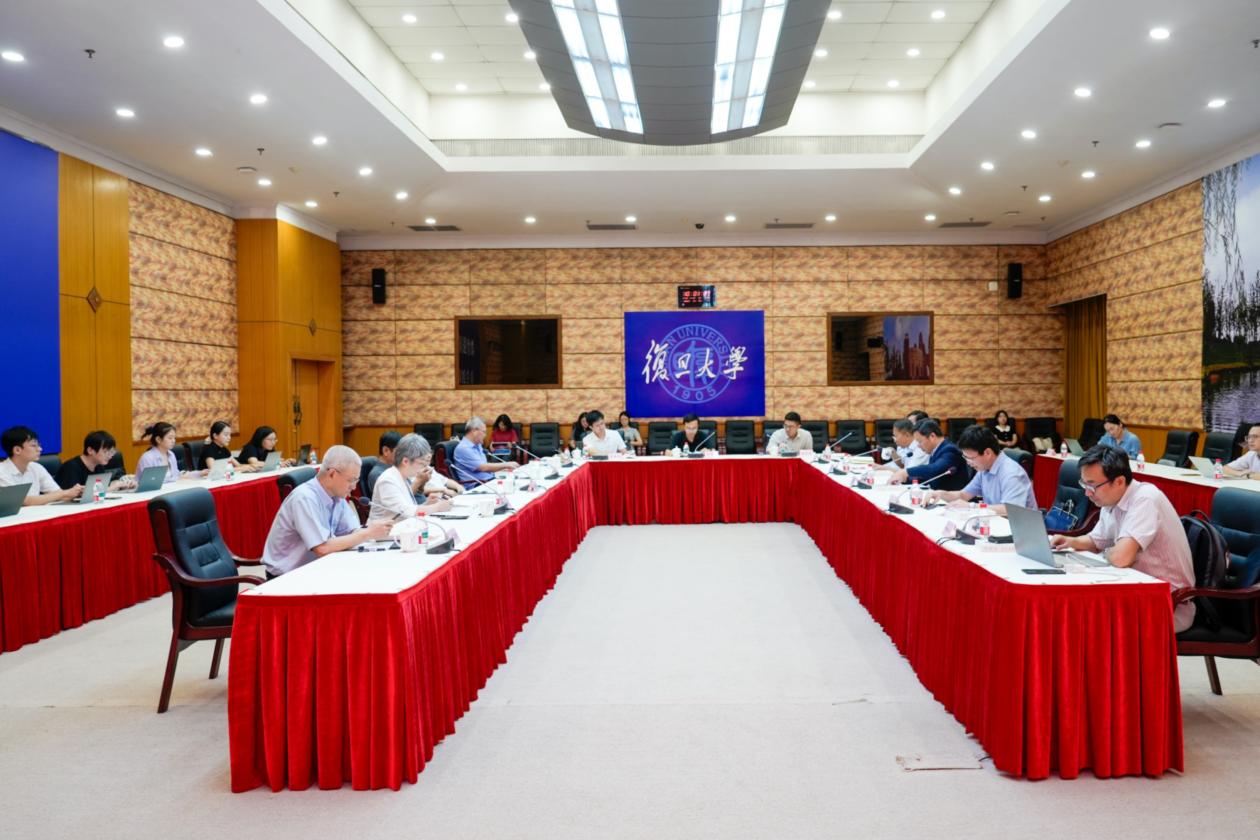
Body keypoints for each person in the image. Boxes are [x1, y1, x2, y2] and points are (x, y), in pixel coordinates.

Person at [1051, 446, 1196, 632]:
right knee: (1072, 608)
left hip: (1166, 604)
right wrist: (1071, 541)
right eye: (1084, 485)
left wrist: (1108, 552)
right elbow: (1097, 541)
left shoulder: (1145, 499)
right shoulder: (1110, 499)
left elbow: (1121, 558)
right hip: (1135, 592)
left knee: (1082, 617)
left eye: (1092, 486)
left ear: (1119, 481)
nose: (1087, 493)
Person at [261, 445, 393, 577]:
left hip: (316, 568)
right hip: (287, 577)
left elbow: (351, 531)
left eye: (356, 480)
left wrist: (380, 532)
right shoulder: (304, 498)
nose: (354, 487)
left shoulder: (337, 495)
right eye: (351, 480)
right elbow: (322, 548)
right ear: (332, 474)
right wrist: (367, 534)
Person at [924, 424, 1035, 515]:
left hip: (1021, 530)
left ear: (987, 453)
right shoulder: (984, 469)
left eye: (970, 458)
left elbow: (1010, 511)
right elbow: (963, 495)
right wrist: (940, 494)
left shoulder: (1011, 473)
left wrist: (972, 507)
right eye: (965, 457)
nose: (968, 462)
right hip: (995, 524)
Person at [368, 434, 452, 524]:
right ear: (405, 461)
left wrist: (427, 504)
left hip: (402, 527)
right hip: (385, 532)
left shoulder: (403, 476)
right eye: (422, 464)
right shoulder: (387, 480)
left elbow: (408, 509)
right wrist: (437, 507)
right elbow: (405, 513)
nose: (425, 468)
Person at [0, 425, 82, 504]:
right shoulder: (2, 471)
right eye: (33, 446)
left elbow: (58, 494)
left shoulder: (37, 467)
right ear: (17, 450)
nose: (40, 449)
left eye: (39, 445)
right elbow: (22, 501)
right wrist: (64, 493)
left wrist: (77, 492)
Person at [888, 419, 968, 490]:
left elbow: (934, 469)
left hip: (951, 499)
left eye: (920, 442)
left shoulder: (950, 450)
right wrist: (905, 479)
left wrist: (906, 472)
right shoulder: (935, 450)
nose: (918, 446)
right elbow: (931, 478)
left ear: (932, 436)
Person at [54, 430, 135, 491]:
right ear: (90, 450)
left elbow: (101, 488)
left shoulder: (98, 465)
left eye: (111, 451)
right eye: (105, 451)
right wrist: (111, 488)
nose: (110, 455)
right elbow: (74, 496)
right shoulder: (71, 468)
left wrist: (121, 485)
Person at [453, 416, 517, 488]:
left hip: (488, 481)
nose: (485, 435)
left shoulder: (477, 445)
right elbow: (483, 467)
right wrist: (506, 464)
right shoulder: (464, 448)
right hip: (478, 486)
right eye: (484, 432)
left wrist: (504, 468)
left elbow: (485, 466)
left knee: (515, 483)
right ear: (474, 431)